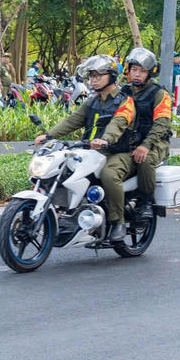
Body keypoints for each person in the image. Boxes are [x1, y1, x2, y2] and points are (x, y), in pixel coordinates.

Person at [35, 54, 129, 239]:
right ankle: (66, 214)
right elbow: (73, 120)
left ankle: (118, 222)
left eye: (98, 75)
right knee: (61, 170)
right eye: (91, 75)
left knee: (110, 176)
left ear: (111, 75)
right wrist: (49, 135)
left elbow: (118, 123)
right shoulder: (92, 101)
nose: (93, 79)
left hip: (114, 151)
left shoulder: (124, 101)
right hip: (89, 151)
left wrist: (106, 139)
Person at [99, 47, 174, 242]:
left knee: (146, 160)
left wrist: (146, 145)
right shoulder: (123, 92)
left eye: (141, 71)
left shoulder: (159, 94)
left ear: (150, 73)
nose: (137, 74)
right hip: (128, 142)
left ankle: (145, 202)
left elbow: (162, 123)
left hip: (155, 142)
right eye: (134, 70)